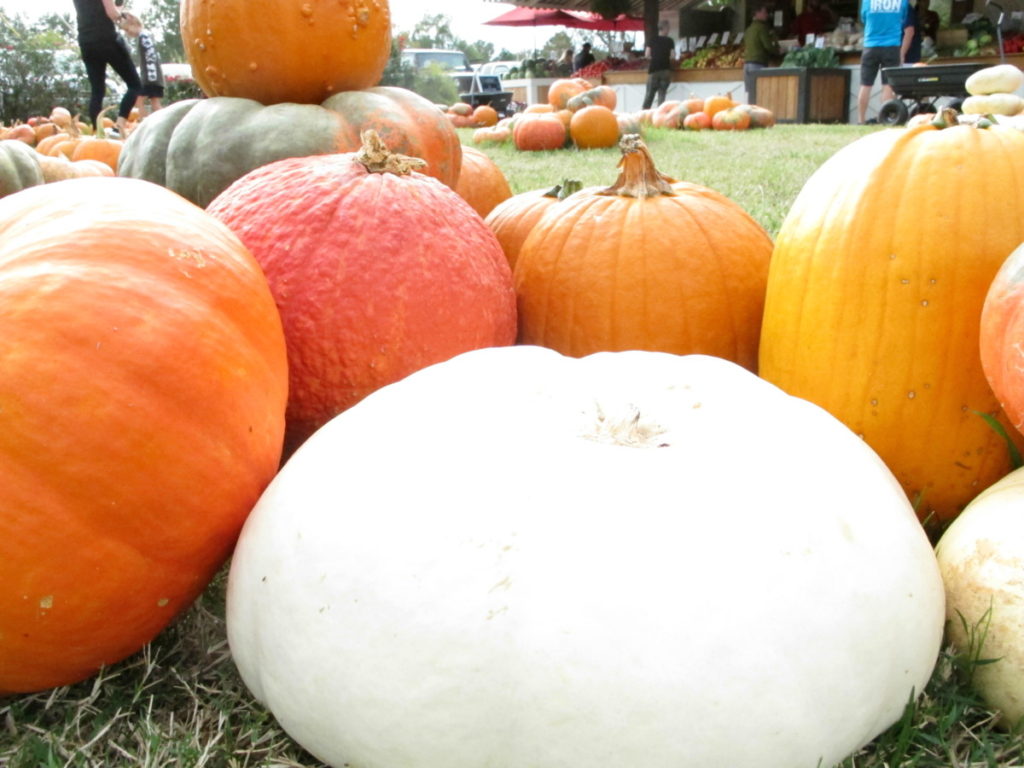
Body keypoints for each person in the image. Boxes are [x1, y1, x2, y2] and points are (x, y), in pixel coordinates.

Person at [72, 0, 142, 136]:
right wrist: (124, 19)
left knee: (97, 90)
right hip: (106, 39)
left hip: (86, 41)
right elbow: (111, 12)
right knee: (135, 85)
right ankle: (119, 127)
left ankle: (97, 132)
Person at [857, 0, 912, 123]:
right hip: (892, 47)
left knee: (865, 85)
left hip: (870, 46)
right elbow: (903, 18)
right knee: (887, 85)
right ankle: (884, 119)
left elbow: (863, 19)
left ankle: (861, 120)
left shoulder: (868, 1)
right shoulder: (902, 2)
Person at [120, 12, 164, 116]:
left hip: (150, 77)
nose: (127, 33)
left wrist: (147, 78)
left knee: (138, 100)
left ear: (134, 23)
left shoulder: (144, 37)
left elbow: (150, 57)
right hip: (154, 76)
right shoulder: (146, 35)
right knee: (155, 103)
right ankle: (162, 121)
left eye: (127, 29)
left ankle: (143, 122)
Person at [744, 4, 781, 105]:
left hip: (747, 64)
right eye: (764, 12)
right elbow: (768, 46)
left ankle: (749, 114)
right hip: (758, 63)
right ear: (757, 13)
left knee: (749, 92)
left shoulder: (749, 29)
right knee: (759, 92)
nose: (767, 15)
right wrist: (778, 50)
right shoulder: (762, 28)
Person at [642, 20, 676, 109]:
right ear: (664, 28)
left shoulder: (652, 39)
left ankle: (644, 114)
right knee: (662, 95)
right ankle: (660, 115)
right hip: (665, 70)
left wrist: (654, 58)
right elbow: (672, 56)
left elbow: (647, 55)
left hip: (654, 69)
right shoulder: (670, 41)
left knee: (649, 95)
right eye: (668, 28)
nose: (668, 30)